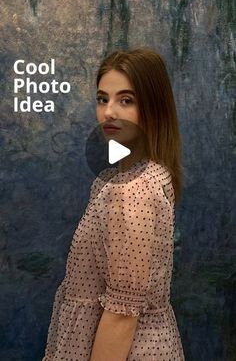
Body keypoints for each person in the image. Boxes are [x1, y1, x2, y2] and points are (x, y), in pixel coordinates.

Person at [42, 47, 185, 361]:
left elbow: (122, 315)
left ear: (153, 108)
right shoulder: (137, 175)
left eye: (126, 100)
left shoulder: (131, 190)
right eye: (102, 98)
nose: (108, 112)